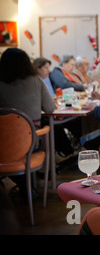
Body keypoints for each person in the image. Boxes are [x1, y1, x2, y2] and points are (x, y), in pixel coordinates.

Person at [0, 48, 55, 198]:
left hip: (2, 144)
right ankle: (29, 186)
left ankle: (24, 185)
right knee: (41, 135)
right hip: (31, 142)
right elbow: (50, 107)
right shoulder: (36, 81)